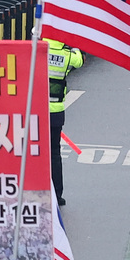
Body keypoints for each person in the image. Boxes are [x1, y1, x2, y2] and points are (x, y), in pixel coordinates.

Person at [47, 37, 83, 206]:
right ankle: (57, 194)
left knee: (34, 153)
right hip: (56, 112)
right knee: (54, 153)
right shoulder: (67, 55)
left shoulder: (37, 51)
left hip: (35, 111)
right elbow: (80, 60)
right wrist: (73, 46)